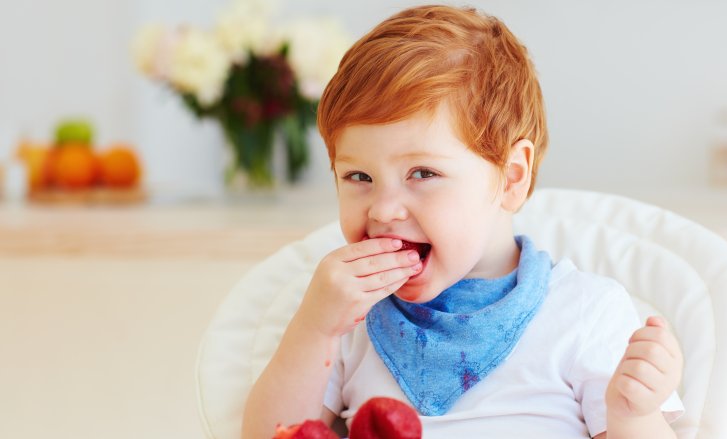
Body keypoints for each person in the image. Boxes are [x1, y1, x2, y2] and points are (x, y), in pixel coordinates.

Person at [242, 5, 684, 438]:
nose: (382, 209)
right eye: (359, 176)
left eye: (423, 174)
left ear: (512, 178)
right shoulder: (347, 316)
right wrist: (314, 328)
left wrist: (633, 415)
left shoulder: (585, 313)